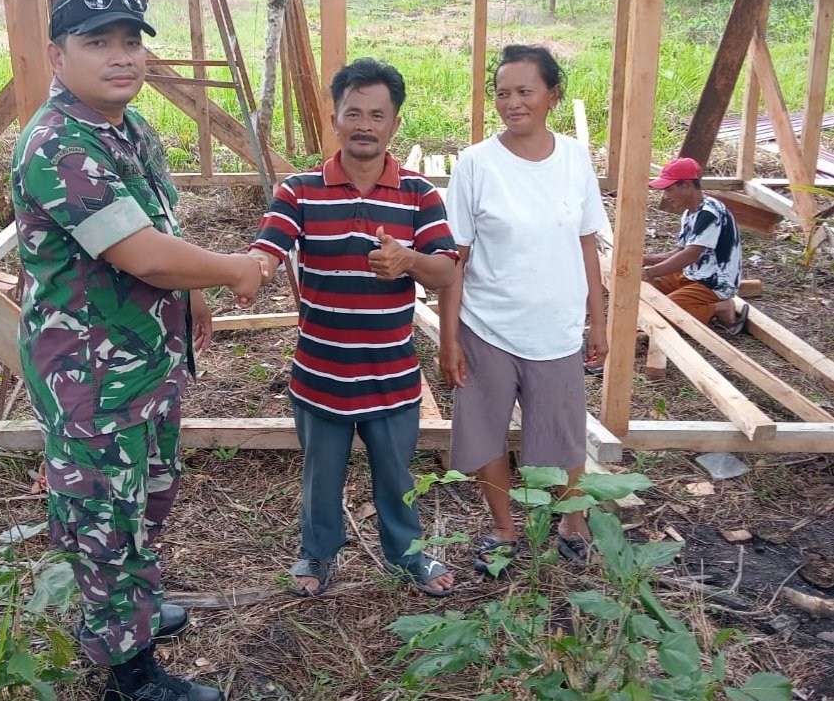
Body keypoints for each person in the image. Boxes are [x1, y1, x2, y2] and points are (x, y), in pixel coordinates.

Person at [12, 0, 265, 701]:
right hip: (90, 377)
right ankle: (127, 670)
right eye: (98, 43)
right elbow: (144, 255)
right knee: (103, 517)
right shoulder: (59, 144)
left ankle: (138, 610)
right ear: (58, 56)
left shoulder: (127, 129)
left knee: (147, 494)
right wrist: (233, 272)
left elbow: (160, 231)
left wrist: (189, 299)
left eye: (131, 41)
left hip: (142, 361)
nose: (122, 57)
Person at [248, 57, 460, 598]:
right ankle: (316, 555)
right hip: (321, 372)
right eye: (353, 112)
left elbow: (445, 270)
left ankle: (406, 555)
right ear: (335, 118)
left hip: (391, 374)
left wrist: (408, 260)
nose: (364, 124)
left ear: (394, 124)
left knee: (396, 476)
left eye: (377, 115)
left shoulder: (419, 194)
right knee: (322, 478)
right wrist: (250, 270)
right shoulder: (300, 190)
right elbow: (268, 247)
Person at [438, 44, 608, 569]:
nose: (512, 103)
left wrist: (596, 320)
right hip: (486, 326)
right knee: (484, 428)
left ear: (552, 96)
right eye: (502, 93)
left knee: (561, 431)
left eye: (524, 92)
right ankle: (503, 526)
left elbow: (586, 241)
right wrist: (448, 338)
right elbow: (454, 259)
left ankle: (572, 519)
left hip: (555, 327)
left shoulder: (575, 158)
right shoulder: (475, 164)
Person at [643, 156, 745, 332]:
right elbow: (680, 251)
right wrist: (644, 259)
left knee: (667, 312)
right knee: (642, 291)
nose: (666, 196)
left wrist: (650, 272)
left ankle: (720, 308)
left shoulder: (709, 213)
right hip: (693, 275)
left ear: (687, 185)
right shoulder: (690, 213)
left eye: (669, 190)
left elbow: (690, 255)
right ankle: (698, 305)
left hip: (713, 283)